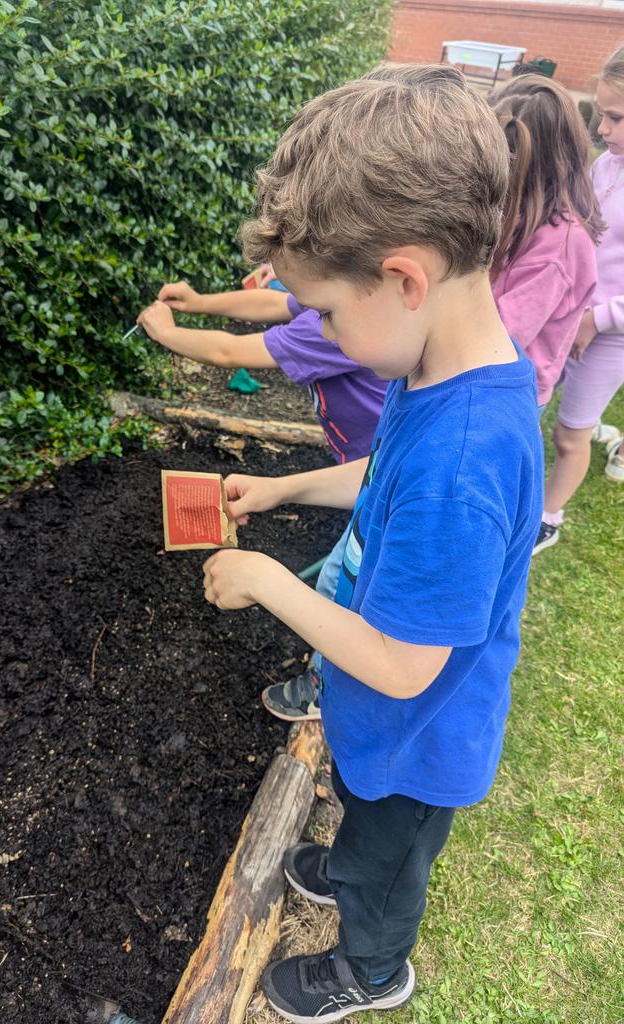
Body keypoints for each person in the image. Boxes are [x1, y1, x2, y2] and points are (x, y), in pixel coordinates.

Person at [200, 65, 543, 1022]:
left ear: (402, 277)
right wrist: (285, 487)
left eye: (325, 310)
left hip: (418, 740)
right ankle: (347, 863)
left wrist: (268, 578)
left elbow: (399, 665)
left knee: (389, 860)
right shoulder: (434, 366)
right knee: (364, 814)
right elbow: (377, 475)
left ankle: (370, 967)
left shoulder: (466, 456)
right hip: (379, 730)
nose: (321, 331)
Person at [137, 282, 388, 722]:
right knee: (337, 578)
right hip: (366, 472)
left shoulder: (341, 327)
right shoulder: (340, 300)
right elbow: (275, 303)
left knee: (343, 588)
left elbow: (231, 353)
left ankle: (326, 686)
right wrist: (199, 303)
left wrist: (166, 334)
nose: (317, 325)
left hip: (376, 480)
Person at [536, 46, 624, 552]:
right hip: (571, 315)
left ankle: (548, 516)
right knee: (545, 405)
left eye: (614, 117)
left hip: (607, 336)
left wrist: (599, 318)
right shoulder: (606, 164)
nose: (603, 129)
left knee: (570, 435)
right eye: (600, 114)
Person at [489, 76, 601, 417]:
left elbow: (500, 341)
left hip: (506, 393)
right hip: (484, 376)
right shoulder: (519, 212)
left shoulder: (559, 249)